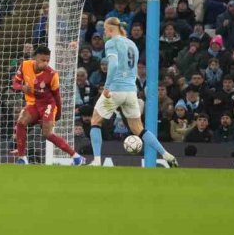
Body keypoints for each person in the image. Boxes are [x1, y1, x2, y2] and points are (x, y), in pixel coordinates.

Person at [89, 18, 178, 166]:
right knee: (138, 129)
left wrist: (107, 86)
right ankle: (166, 154)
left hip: (115, 89)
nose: (104, 32)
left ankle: (97, 161)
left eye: (105, 29)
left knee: (95, 121)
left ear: (111, 28)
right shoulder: (132, 44)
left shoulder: (111, 43)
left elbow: (113, 65)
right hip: (131, 91)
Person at [11, 46, 82, 165]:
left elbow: (57, 96)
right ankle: (22, 157)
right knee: (20, 123)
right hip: (33, 104)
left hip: (48, 104)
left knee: (47, 133)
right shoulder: (25, 65)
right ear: (35, 58)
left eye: (47, 61)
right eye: (42, 60)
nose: (45, 63)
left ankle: (76, 157)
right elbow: (15, 84)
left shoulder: (52, 74)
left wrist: (58, 113)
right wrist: (22, 87)